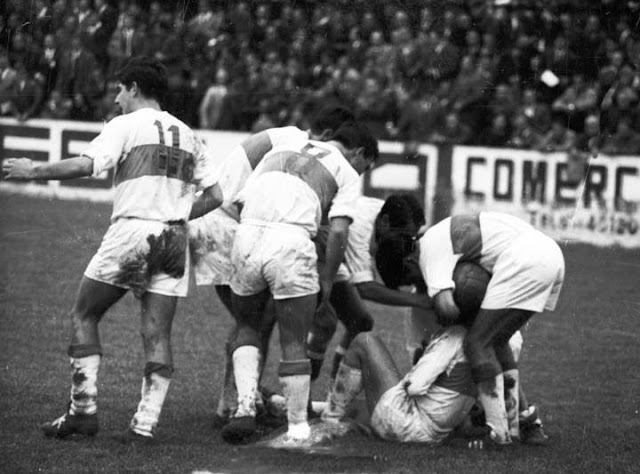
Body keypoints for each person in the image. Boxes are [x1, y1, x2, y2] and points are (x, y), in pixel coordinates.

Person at [2, 56, 223, 443]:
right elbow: (217, 195)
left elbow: (88, 165)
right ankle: (144, 426)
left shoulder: (125, 124)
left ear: (134, 88)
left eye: (120, 90)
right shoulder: (189, 134)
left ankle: (83, 412)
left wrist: (32, 170)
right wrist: (174, 213)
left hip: (133, 232)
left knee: (84, 313)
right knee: (158, 333)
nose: (117, 99)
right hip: (174, 238)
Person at [188, 104, 358, 424]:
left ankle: (241, 399)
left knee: (253, 319)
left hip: (226, 221)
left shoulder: (285, 140)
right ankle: (235, 402)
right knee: (255, 319)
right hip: (224, 221)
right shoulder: (292, 141)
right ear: (327, 135)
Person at [222, 121, 379, 447]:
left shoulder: (282, 147)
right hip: (291, 242)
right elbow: (338, 231)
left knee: (247, 327)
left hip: (247, 235)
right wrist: (327, 278)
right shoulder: (345, 171)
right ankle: (297, 428)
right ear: (357, 153)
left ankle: (244, 409)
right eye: (364, 165)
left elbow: (239, 200)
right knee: (293, 339)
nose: (361, 171)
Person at [375, 209, 564, 446]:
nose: (418, 284)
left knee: (477, 343)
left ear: (408, 260)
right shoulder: (437, 236)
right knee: (497, 341)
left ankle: (499, 435)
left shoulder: (428, 256)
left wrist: (447, 314)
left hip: (524, 261)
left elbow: (447, 309)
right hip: (549, 255)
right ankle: (525, 424)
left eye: (411, 278)